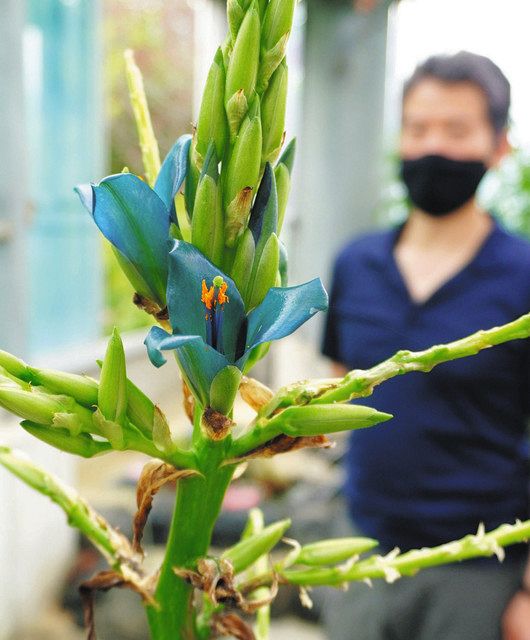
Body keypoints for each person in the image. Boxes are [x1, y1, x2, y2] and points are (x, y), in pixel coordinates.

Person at [322, 51, 530, 640]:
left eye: (457, 130)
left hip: (478, 569)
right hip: (360, 552)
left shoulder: (523, 274)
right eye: (417, 128)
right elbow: (341, 392)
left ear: (499, 145)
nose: (432, 146)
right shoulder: (356, 264)